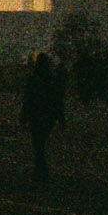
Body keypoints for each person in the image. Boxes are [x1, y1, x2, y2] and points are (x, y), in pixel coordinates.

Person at [20, 51, 66, 182]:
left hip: (37, 115)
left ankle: (41, 170)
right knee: (40, 144)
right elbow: (57, 100)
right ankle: (40, 170)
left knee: (38, 145)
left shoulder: (34, 79)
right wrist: (61, 118)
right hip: (48, 116)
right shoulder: (52, 79)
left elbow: (28, 99)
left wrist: (24, 116)